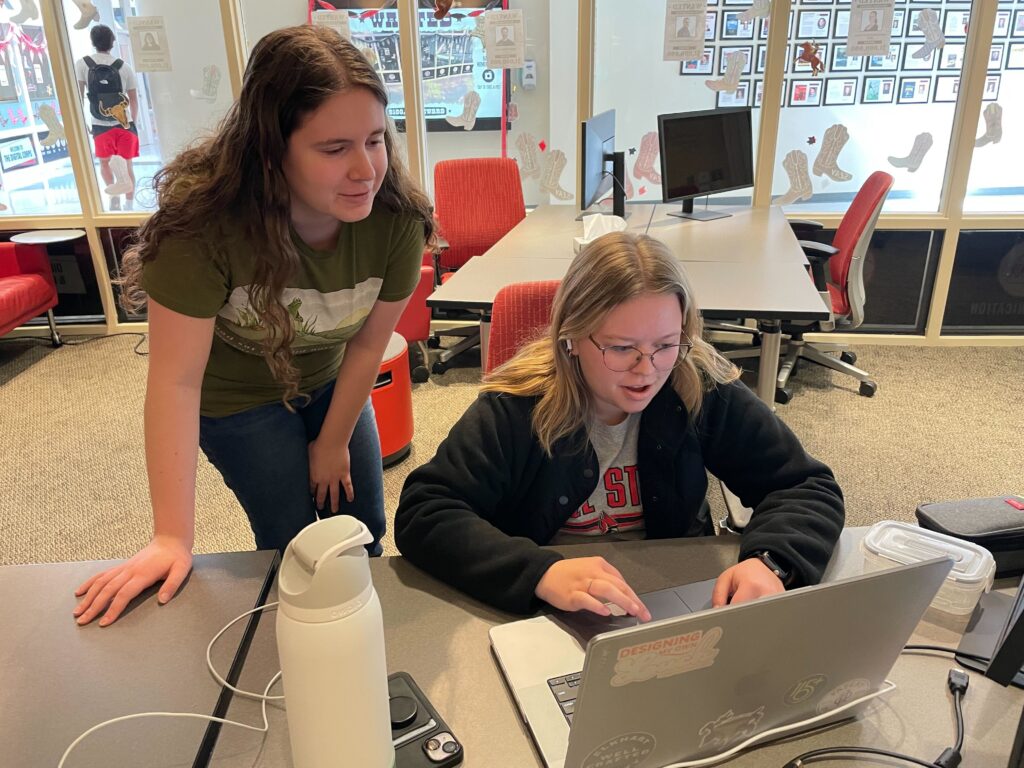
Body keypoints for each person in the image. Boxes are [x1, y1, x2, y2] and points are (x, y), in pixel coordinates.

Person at [73, 26, 433, 627]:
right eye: (333, 147)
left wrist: (333, 440)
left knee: (362, 527)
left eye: (375, 140)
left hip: (330, 378)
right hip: (236, 400)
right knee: (290, 544)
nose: (365, 168)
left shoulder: (396, 220)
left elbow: (371, 341)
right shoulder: (202, 227)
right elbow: (175, 383)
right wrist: (171, 537)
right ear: (271, 149)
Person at [395, 233, 844, 619]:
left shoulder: (697, 384)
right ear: (572, 336)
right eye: (621, 347)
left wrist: (772, 563)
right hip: (553, 606)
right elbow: (426, 512)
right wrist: (538, 571)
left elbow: (806, 485)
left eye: (665, 344)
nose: (646, 370)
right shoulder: (518, 405)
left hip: (673, 594)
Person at [74, 24, 139, 211]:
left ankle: (115, 200)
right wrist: (131, 122)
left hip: (99, 124)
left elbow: (78, 97)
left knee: (104, 162)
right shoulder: (124, 67)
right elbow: (133, 100)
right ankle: (129, 204)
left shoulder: (83, 64)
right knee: (127, 165)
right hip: (124, 124)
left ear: (93, 42)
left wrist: (83, 123)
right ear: (112, 42)